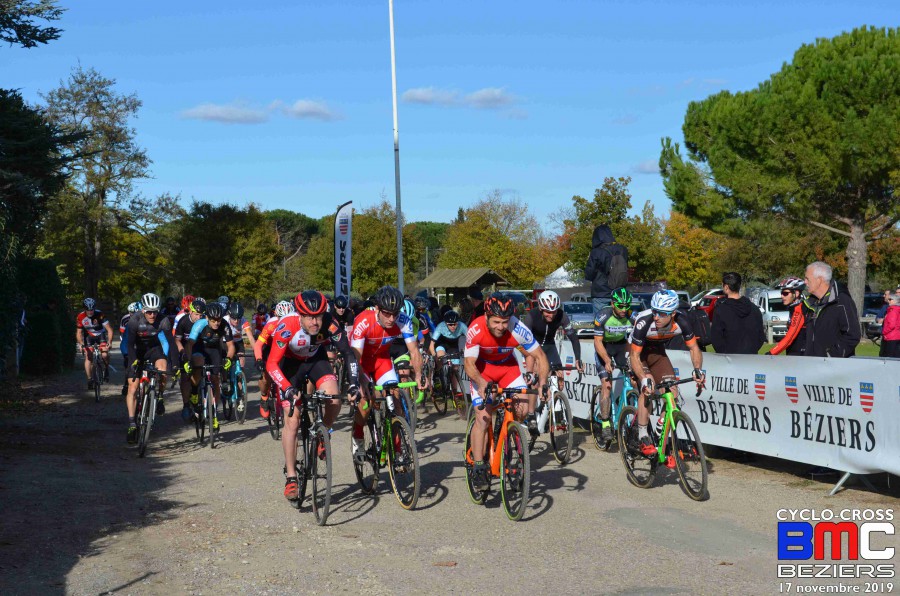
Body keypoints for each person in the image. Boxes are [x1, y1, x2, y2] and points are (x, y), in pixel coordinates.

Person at [266, 291, 359, 502]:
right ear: (300, 314)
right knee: (292, 419)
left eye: (318, 316)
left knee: (334, 398)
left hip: (316, 359)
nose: (315, 322)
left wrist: (353, 384)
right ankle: (291, 477)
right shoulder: (286, 326)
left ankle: (322, 433)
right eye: (309, 317)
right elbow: (272, 364)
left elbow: (348, 353)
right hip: (290, 366)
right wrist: (287, 388)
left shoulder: (330, 322)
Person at [464, 293, 549, 490]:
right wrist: (481, 382)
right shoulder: (475, 329)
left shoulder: (517, 327)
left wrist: (543, 383)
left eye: (504, 322)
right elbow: (469, 363)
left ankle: (509, 431)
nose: (501, 327)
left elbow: (540, 356)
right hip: (481, 371)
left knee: (520, 410)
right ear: (486, 316)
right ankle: (478, 466)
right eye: (496, 322)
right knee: (483, 417)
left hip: (507, 369)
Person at [349, 286, 425, 460]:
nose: (391, 319)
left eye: (395, 314)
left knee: (396, 400)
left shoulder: (403, 320)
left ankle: (396, 449)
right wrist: (361, 382)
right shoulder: (363, 321)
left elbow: (414, 351)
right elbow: (356, 358)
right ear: (377, 309)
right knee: (367, 401)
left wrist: (419, 375)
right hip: (362, 363)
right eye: (387, 314)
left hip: (382, 361)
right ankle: (358, 436)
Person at [629, 290, 705, 460]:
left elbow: (694, 348)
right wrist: (642, 380)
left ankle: (659, 438)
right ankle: (643, 435)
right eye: (654, 311)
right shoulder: (644, 321)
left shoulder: (682, 321)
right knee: (647, 387)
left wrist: (698, 370)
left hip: (657, 352)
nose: (656, 316)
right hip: (637, 353)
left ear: (672, 314)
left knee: (673, 393)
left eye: (661, 313)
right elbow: (634, 356)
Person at [522, 289, 583, 440]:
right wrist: (533, 362)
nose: (551, 315)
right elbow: (523, 342)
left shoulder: (562, 316)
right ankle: (530, 416)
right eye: (548, 312)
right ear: (541, 309)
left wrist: (578, 358)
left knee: (559, 379)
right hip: (532, 348)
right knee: (533, 381)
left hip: (550, 347)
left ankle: (552, 410)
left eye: (554, 312)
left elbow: (573, 337)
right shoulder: (532, 316)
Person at [592, 287, 638, 444]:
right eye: (620, 306)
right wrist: (606, 360)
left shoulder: (632, 316)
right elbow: (597, 341)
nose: (624, 309)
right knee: (607, 384)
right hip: (604, 347)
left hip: (620, 346)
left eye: (627, 306)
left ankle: (627, 410)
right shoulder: (603, 315)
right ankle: (605, 422)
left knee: (633, 379)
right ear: (612, 304)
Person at [125, 293, 171, 443]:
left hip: (153, 349)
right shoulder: (134, 320)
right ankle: (132, 423)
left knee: (163, 367)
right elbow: (129, 344)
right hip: (137, 350)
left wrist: (175, 364)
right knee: (133, 387)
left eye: (155, 311)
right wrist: (133, 361)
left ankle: (159, 396)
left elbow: (170, 342)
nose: (152, 315)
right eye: (149, 311)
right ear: (143, 310)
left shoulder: (163, 319)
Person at [183, 301, 235, 434]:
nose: (216, 323)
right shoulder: (200, 324)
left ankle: (213, 413)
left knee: (215, 379)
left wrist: (228, 359)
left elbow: (231, 346)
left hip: (214, 350)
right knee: (198, 365)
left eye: (218, 320)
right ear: (207, 318)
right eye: (213, 320)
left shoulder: (224, 324)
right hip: (199, 348)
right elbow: (189, 344)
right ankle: (194, 391)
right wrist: (188, 360)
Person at [802, 261, 860, 358]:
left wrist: (830, 355)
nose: (805, 282)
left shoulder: (842, 301)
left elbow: (852, 335)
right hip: (810, 365)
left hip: (833, 367)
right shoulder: (810, 303)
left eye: (807, 278)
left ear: (819, 280)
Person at [255, 300, 294, 418]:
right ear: (276, 315)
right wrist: (259, 360)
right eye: (282, 317)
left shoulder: (295, 322)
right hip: (270, 349)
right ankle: (264, 397)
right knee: (266, 377)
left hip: (285, 350)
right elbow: (258, 344)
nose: (285, 320)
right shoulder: (271, 324)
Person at [710, 272, 765, 355]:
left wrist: (725, 353)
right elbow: (761, 336)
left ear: (726, 287)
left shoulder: (721, 311)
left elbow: (716, 338)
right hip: (751, 359)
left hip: (731, 360)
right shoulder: (754, 309)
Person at [584, 224, 629, 317]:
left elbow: (589, 274)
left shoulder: (596, 252)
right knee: (619, 322)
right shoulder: (623, 250)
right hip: (619, 294)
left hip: (601, 294)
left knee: (601, 324)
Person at [173, 298, 206, 422]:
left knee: (198, 364)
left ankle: (195, 391)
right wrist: (182, 353)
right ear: (190, 312)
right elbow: (177, 340)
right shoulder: (183, 321)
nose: (199, 317)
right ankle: (186, 405)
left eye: (201, 315)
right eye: (196, 314)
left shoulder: (204, 322)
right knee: (185, 377)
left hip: (198, 348)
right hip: (185, 348)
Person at [76, 297, 115, 391]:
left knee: (105, 354)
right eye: (88, 310)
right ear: (84, 309)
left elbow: (109, 330)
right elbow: (78, 333)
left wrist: (109, 342)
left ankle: (106, 369)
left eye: (92, 309)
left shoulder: (100, 314)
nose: (90, 312)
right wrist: (81, 344)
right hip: (88, 336)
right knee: (88, 356)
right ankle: (89, 379)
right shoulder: (80, 316)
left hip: (100, 335)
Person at [429, 309, 468, 398]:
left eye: (455, 324)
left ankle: (454, 391)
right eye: (450, 324)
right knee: (441, 358)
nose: (453, 326)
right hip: (441, 344)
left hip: (453, 346)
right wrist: (435, 356)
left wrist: (466, 349)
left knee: (455, 368)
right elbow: (432, 344)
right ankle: (437, 376)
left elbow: (471, 340)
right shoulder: (440, 326)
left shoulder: (462, 326)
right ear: (446, 323)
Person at [767, 277, 807, 356]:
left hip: (800, 356)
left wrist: (771, 353)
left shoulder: (799, 310)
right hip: (794, 353)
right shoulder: (793, 308)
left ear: (796, 293)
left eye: (785, 293)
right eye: (781, 293)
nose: (782, 296)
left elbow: (790, 337)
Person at [119, 301, 142, 396]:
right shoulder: (125, 320)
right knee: (128, 364)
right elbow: (123, 336)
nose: (133, 315)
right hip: (129, 342)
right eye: (131, 313)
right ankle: (126, 383)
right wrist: (126, 354)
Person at [878, 293, 899, 357]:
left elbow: (891, 325)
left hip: (891, 337)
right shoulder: (895, 310)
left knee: (889, 357)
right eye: (888, 299)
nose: (888, 300)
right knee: (895, 356)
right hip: (896, 336)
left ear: (896, 301)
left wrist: (884, 332)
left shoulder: (893, 311)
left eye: (890, 299)